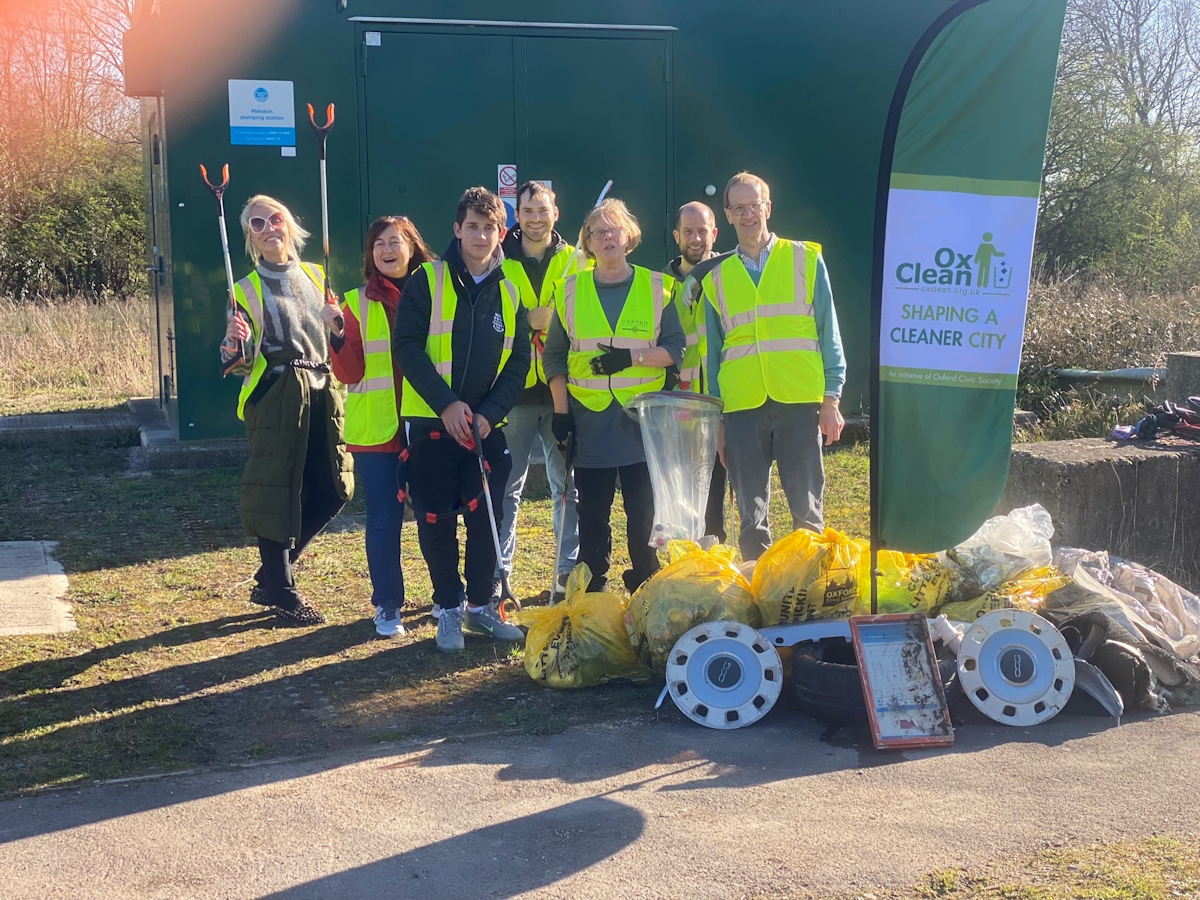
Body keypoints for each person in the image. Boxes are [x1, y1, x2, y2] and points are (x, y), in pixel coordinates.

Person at [392, 187, 530, 653]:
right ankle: (448, 609)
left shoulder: (512, 291)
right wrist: (447, 405)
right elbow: (407, 348)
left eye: (489, 227)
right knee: (436, 520)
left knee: (487, 520)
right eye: (472, 225)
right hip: (433, 425)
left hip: (487, 430)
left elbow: (518, 365)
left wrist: (489, 414)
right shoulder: (426, 280)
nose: (480, 234)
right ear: (457, 229)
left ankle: (481, 608)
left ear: (502, 233)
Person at [698, 172, 846, 562]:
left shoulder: (806, 260)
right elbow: (713, 356)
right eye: (739, 208)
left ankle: (808, 585)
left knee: (807, 512)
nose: (749, 215)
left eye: (755, 205)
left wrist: (831, 398)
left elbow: (829, 330)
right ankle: (758, 590)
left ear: (768, 207)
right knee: (751, 518)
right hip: (742, 405)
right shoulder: (716, 279)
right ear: (727, 215)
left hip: (799, 397)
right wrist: (719, 421)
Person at [220, 194, 353, 626]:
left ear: (289, 223)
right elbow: (238, 362)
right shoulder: (242, 290)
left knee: (334, 487)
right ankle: (284, 592)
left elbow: (340, 339)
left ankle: (272, 573)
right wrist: (233, 343)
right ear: (249, 237)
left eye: (274, 218)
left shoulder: (317, 275)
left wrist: (339, 326)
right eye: (256, 224)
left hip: (323, 390)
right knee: (276, 491)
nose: (268, 228)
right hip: (276, 392)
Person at [545, 198, 686, 594]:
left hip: (641, 423)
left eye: (615, 230)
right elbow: (553, 355)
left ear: (629, 236)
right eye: (598, 232)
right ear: (588, 242)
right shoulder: (569, 290)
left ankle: (647, 582)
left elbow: (675, 349)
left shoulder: (657, 287)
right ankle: (594, 588)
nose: (608, 238)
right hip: (589, 421)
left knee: (643, 511)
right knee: (592, 512)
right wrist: (561, 413)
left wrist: (630, 358)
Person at [330, 215, 436, 637]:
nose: (387, 250)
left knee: (435, 516)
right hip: (378, 431)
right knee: (383, 519)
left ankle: (447, 597)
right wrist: (335, 334)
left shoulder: (436, 293)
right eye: (379, 244)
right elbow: (350, 372)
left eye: (395, 241)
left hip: (429, 422)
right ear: (370, 255)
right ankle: (387, 604)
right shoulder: (354, 303)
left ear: (412, 247)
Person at [497, 181, 585, 601]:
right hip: (512, 393)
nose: (535, 218)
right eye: (528, 210)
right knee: (506, 487)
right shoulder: (497, 258)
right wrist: (524, 321)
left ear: (556, 213)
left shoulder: (576, 260)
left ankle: (566, 570)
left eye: (543, 210)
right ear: (518, 215)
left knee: (565, 485)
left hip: (562, 391)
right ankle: (499, 573)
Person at [664, 200, 731, 543]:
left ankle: (716, 559)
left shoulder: (729, 276)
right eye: (688, 231)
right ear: (677, 236)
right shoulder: (660, 286)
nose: (695, 238)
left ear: (714, 233)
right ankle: (685, 561)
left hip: (722, 403)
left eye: (702, 230)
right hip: (681, 405)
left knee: (718, 490)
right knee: (681, 494)